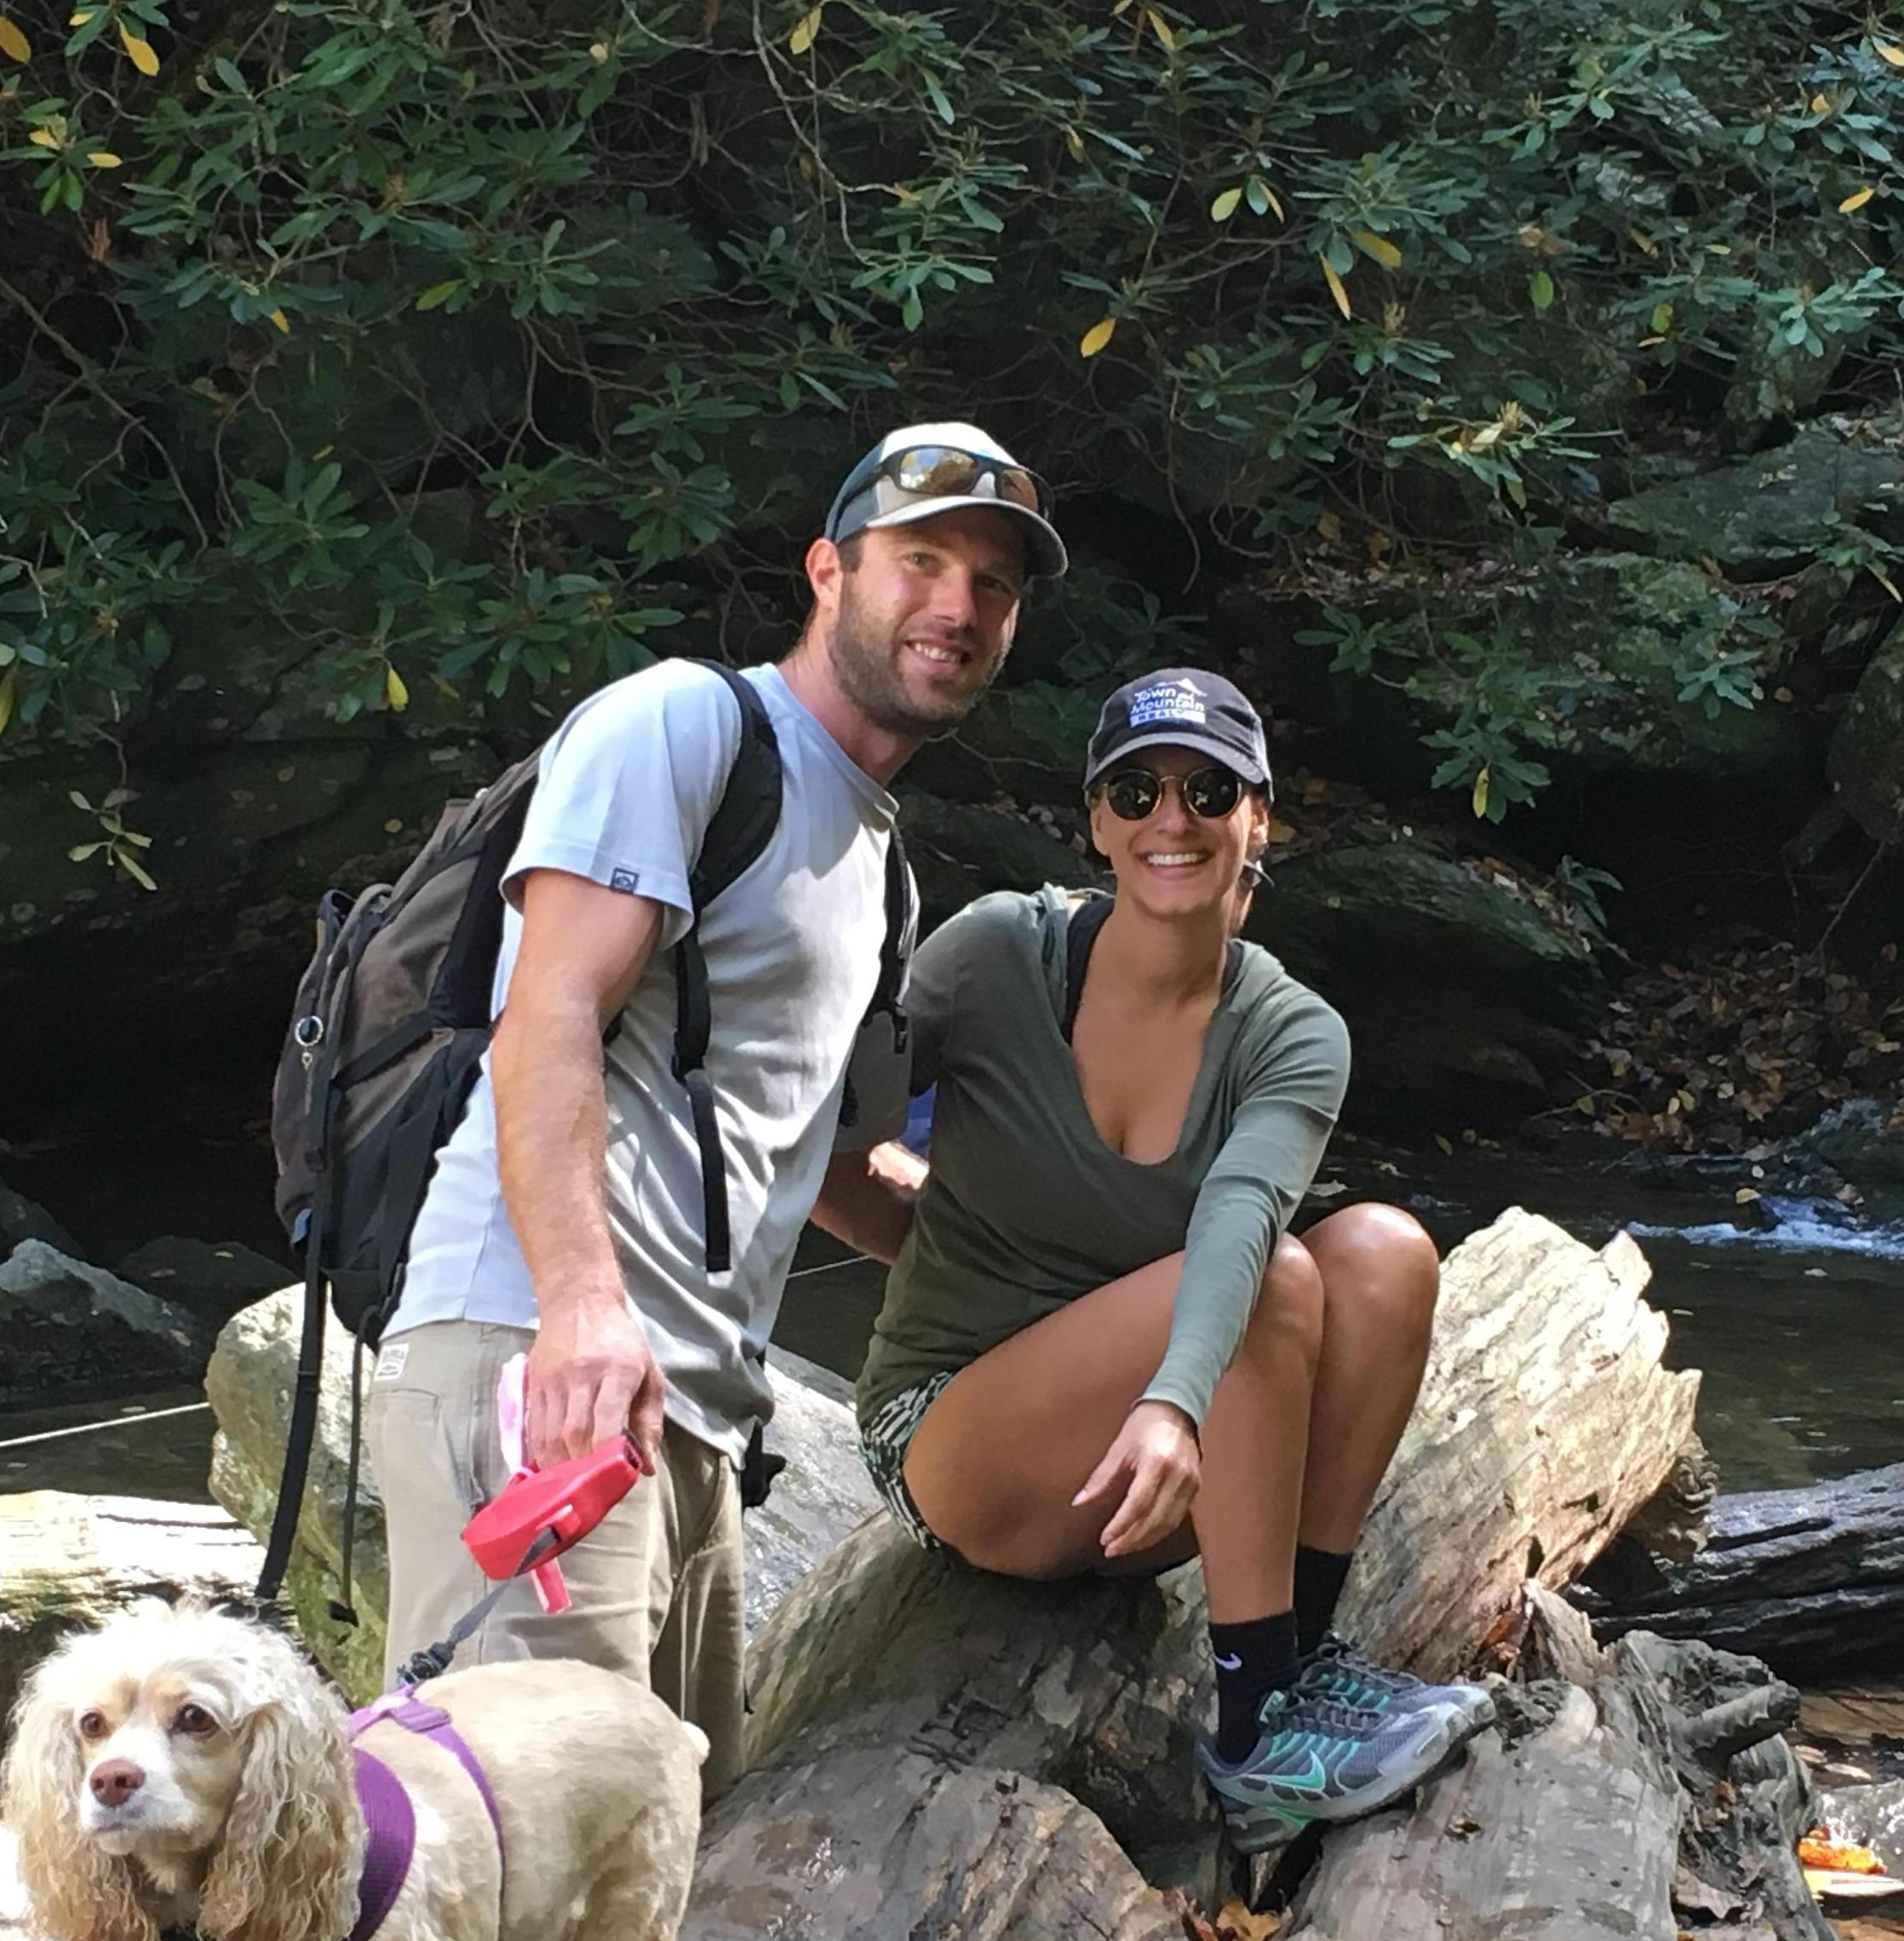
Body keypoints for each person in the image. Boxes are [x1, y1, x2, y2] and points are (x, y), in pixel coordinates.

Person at [364, 421, 1064, 1800]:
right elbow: (546, 1017)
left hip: (691, 1421)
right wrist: (578, 1309)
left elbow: (825, 1164)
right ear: (829, 571)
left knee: (646, 1906)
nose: (956, 607)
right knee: (504, 1892)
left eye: (992, 585)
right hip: (541, 1367)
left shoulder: (881, 861)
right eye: (920, 561)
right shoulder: (686, 725)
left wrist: (1051, 1281)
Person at [824, 667, 1489, 1848]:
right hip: (957, 1442)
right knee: (1278, 1281)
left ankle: (1290, 1670)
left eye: (1206, 788)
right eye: (1136, 791)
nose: (1169, 820)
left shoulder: (1293, 1031)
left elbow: (1242, 1210)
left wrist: (1174, 1403)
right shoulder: (993, 959)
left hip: (1162, 1451)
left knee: (1383, 1254)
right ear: (1097, 823)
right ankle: (1252, 1748)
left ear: (1257, 816)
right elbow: (822, 1123)